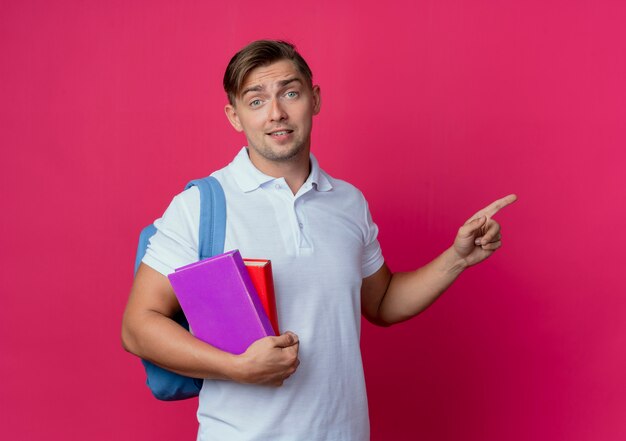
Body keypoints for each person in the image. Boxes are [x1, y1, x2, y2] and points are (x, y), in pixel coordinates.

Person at [121, 40, 516, 440]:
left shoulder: (348, 202)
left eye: (290, 93)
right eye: (256, 101)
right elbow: (138, 326)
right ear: (234, 116)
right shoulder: (200, 205)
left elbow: (381, 302)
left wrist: (457, 259)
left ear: (314, 98)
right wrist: (237, 368)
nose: (276, 113)